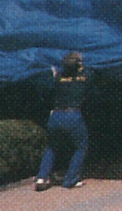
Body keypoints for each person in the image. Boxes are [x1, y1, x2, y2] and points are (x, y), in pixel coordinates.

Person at [36, 52, 90, 191]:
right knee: (80, 147)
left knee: (52, 147)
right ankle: (70, 179)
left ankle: (42, 177)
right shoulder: (85, 77)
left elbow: (48, 90)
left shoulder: (58, 77)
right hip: (73, 115)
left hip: (56, 115)